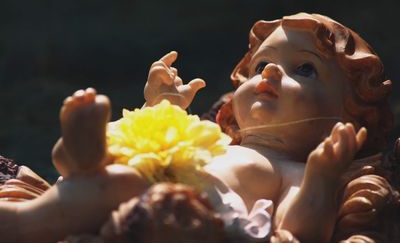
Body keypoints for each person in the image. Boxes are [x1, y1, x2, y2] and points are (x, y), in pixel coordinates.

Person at [0, 12, 393, 243]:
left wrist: (321, 178)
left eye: (305, 69)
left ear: (344, 122)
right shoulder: (217, 140)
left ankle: (75, 171)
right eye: (259, 66)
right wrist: (163, 107)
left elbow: (297, 231)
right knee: (120, 173)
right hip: (145, 183)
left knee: (122, 184)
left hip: (200, 221)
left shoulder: (294, 171)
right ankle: (61, 182)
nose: (271, 71)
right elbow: (167, 145)